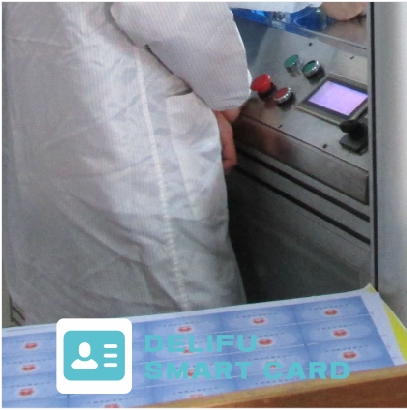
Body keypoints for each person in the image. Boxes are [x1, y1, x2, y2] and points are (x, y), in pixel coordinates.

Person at [2, 2, 366, 325]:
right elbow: (171, 16)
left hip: (51, 135)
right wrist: (226, 97)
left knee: (80, 339)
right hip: (127, 152)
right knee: (174, 342)